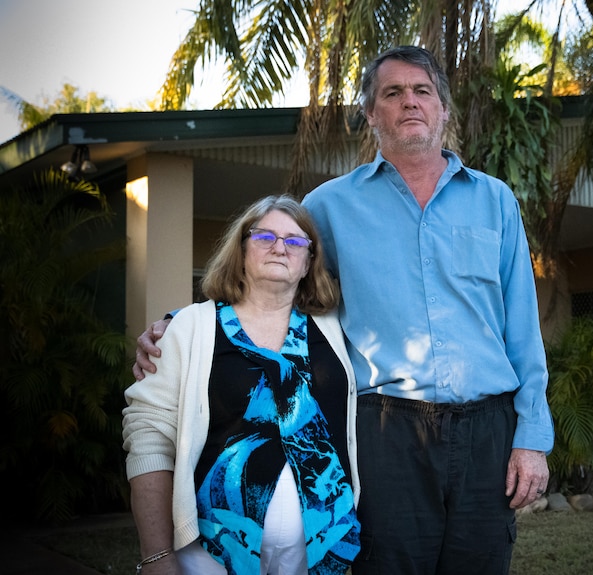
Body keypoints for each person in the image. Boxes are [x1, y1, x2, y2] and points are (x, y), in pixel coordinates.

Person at [134, 46, 553, 575]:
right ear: (372, 114)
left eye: (423, 91)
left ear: (444, 109)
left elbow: (523, 329)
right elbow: (271, 271)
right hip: (386, 432)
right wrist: (183, 327)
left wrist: (532, 439)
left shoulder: (495, 201)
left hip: (489, 431)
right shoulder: (328, 207)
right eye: (392, 93)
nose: (410, 103)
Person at [123, 195, 361, 575]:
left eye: (295, 241)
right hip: (210, 553)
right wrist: (156, 556)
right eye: (264, 236)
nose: (280, 247)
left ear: (308, 263)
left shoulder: (336, 329)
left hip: (321, 554)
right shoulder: (190, 330)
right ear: (241, 250)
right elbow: (148, 439)